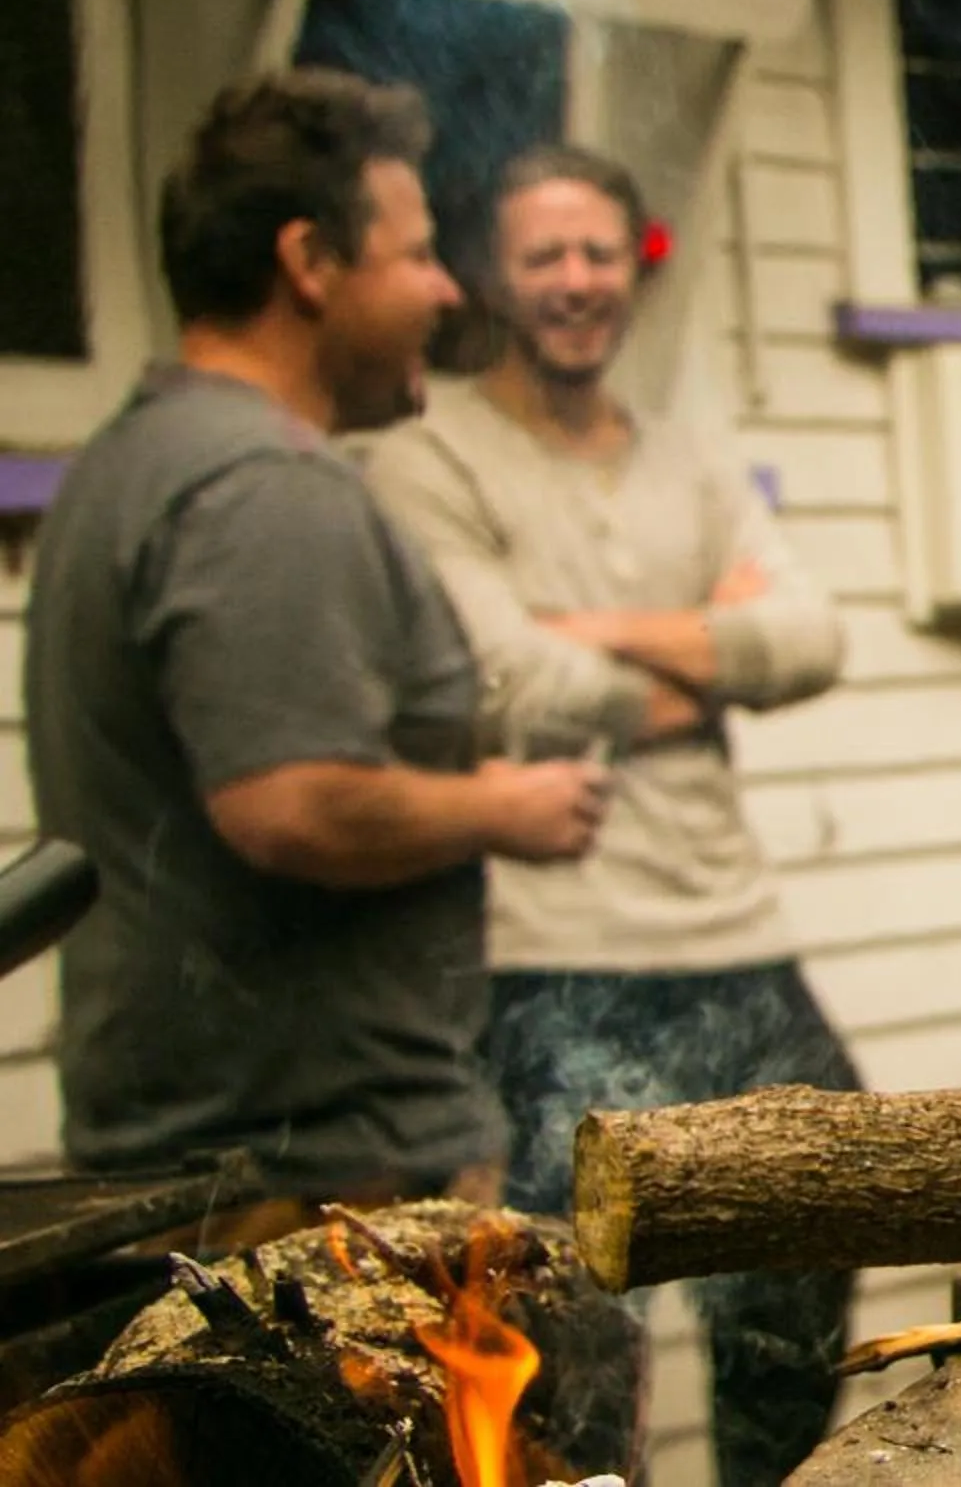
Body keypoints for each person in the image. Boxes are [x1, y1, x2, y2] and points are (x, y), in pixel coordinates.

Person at [23, 70, 608, 1238]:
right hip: (313, 1185)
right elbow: (288, 803)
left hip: (222, 1159)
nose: (447, 292)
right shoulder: (266, 487)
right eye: (417, 254)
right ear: (309, 262)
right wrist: (502, 806)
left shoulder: (130, 460)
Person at [360, 145, 851, 1487]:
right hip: (547, 955)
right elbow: (499, 676)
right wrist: (706, 651)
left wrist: (599, 635)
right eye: (542, 257)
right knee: (574, 1350)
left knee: (794, 1308)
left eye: (597, 255)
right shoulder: (420, 459)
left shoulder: (689, 462)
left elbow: (812, 639)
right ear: (491, 278)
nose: (575, 284)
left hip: (732, 937)